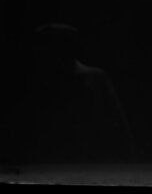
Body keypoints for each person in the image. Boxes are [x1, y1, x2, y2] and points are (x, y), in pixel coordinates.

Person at [22, 23, 136, 164]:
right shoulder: (41, 81)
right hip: (53, 159)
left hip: (93, 158)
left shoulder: (95, 77)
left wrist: (129, 156)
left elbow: (117, 121)